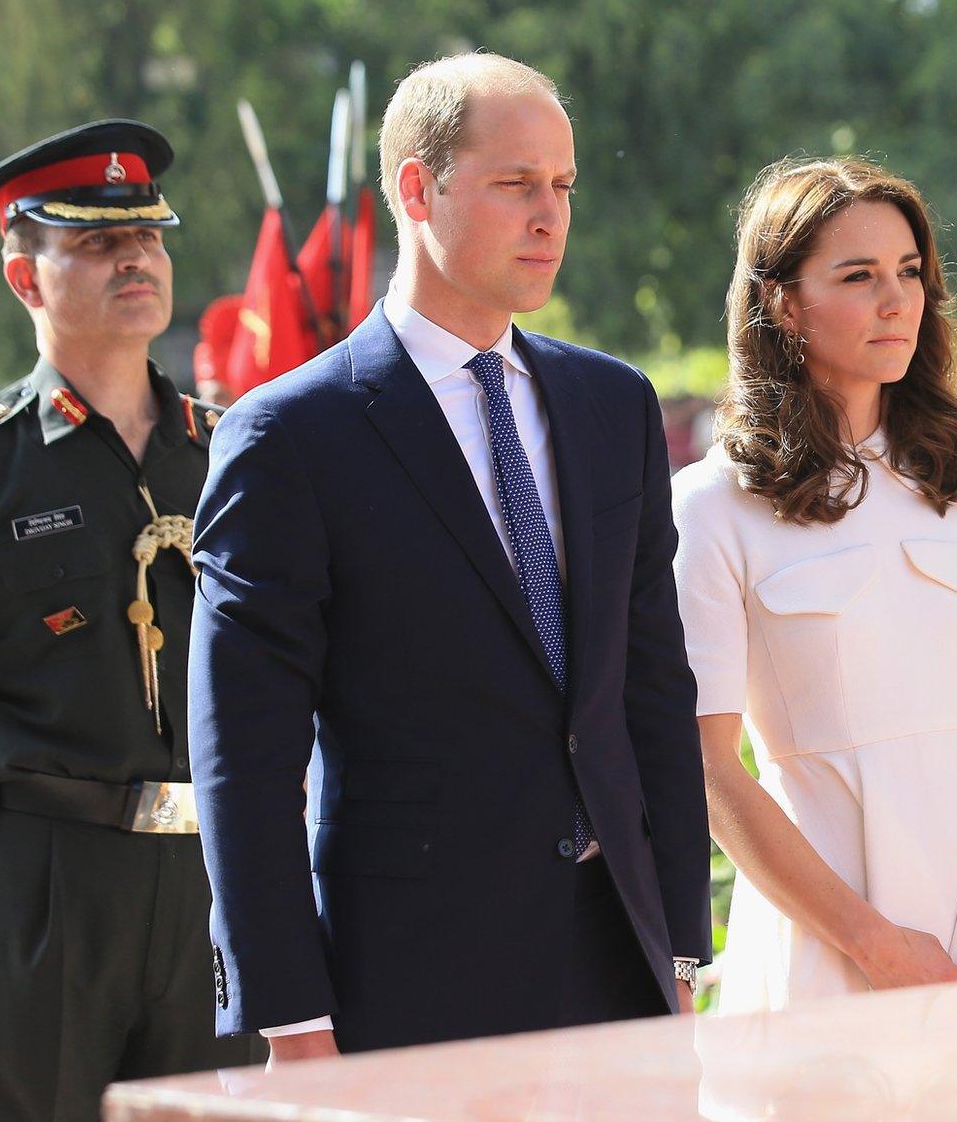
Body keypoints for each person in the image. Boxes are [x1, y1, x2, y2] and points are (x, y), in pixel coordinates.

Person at [190, 52, 711, 1059]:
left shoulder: (613, 408)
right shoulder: (288, 437)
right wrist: (293, 1019)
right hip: (407, 989)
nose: (549, 215)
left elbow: (650, 692)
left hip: (621, 969)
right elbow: (244, 761)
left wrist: (681, 952)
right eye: (516, 183)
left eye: (562, 186)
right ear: (415, 188)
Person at [0, 120, 261, 1119]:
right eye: (92, 241)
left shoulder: (238, 455)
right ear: (23, 279)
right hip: (36, 887)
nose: (135, 256)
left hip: (213, 889)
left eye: (149, 236)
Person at [672, 158, 957, 1011]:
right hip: (825, 946)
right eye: (858, 276)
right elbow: (706, 767)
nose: (897, 300)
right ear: (782, 303)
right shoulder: (711, 507)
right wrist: (870, 942)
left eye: (909, 273)